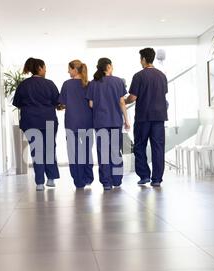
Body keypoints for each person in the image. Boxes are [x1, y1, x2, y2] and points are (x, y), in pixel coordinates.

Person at [13, 58, 60, 191]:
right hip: (48, 120)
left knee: (36, 151)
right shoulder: (49, 84)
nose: (46, 70)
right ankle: (51, 179)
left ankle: (39, 182)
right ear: (39, 68)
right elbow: (58, 102)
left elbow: (17, 103)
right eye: (45, 67)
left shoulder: (23, 85)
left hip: (30, 121)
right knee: (49, 149)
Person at [125, 48, 168, 188]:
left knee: (139, 146)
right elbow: (163, 94)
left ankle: (144, 176)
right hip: (159, 117)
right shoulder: (162, 76)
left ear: (143, 59)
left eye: (140, 58)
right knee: (158, 148)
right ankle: (156, 179)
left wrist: (123, 102)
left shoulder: (139, 76)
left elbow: (133, 97)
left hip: (143, 117)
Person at [87, 58, 130, 191]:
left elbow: (91, 104)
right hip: (115, 121)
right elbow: (122, 102)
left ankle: (106, 182)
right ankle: (117, 180)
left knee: (103, 152)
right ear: (109, 66)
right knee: (115, 151)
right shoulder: (118, 81)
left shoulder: (93, 83)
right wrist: (126, 120)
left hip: (100, 122)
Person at [59, 60, 94, 189]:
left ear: (74, 69)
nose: (68, 71)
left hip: (72, 123)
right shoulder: (89, 84)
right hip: (88, 122)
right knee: (86, 151)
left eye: (69, 69)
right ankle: (88, 178)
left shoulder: (67, 85)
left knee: (74, 153)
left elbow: (62, 103)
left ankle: (79, 181)